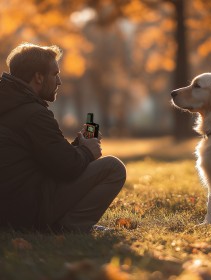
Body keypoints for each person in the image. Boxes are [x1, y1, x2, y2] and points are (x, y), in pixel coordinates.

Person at [0, 43, 126, 233]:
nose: (59, 81)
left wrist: (78, 145)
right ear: (38, 77)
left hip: (10, 206)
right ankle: (70, 226)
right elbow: (66, 169)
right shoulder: (33, 113)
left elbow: (48, 158)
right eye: (55, 74)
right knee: (113, 167)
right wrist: (87, 151)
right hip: (24, 212)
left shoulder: (11, 105)